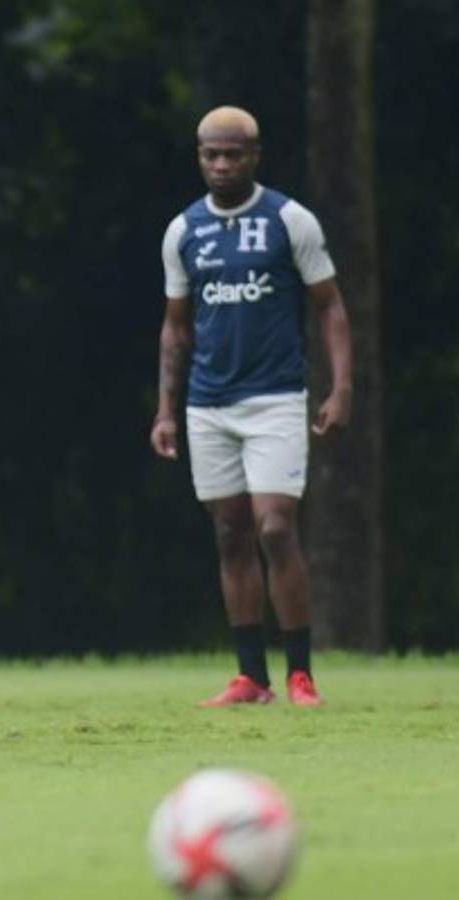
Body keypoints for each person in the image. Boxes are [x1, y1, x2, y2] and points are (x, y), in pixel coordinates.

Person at [151, 106, 353, 707]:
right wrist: (166, 408)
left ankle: (300, 675)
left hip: (275, 399)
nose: (220, 164)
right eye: (210, 154)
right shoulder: (183, 231)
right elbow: (175, 328)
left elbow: (331, 307)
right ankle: (251, 678)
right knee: (232, 533)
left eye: (232, 154)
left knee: (274, 525)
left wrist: (341, 388)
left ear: (254, 155)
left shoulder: (289, 220)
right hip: (208, 404)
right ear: (199, 156)